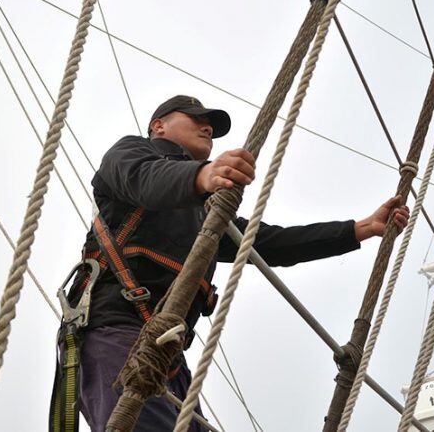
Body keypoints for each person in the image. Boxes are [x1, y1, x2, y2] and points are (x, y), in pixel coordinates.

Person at [74, 95, 410, 431]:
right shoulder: (132, 153)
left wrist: (360, 229)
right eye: (194, 118)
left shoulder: (207, 216)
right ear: (158, 125)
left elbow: (270, 243)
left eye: (210, 125)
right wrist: (204, 176)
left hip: (164, 355)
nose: (206, 127)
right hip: (115, 331)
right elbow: (146, 178)